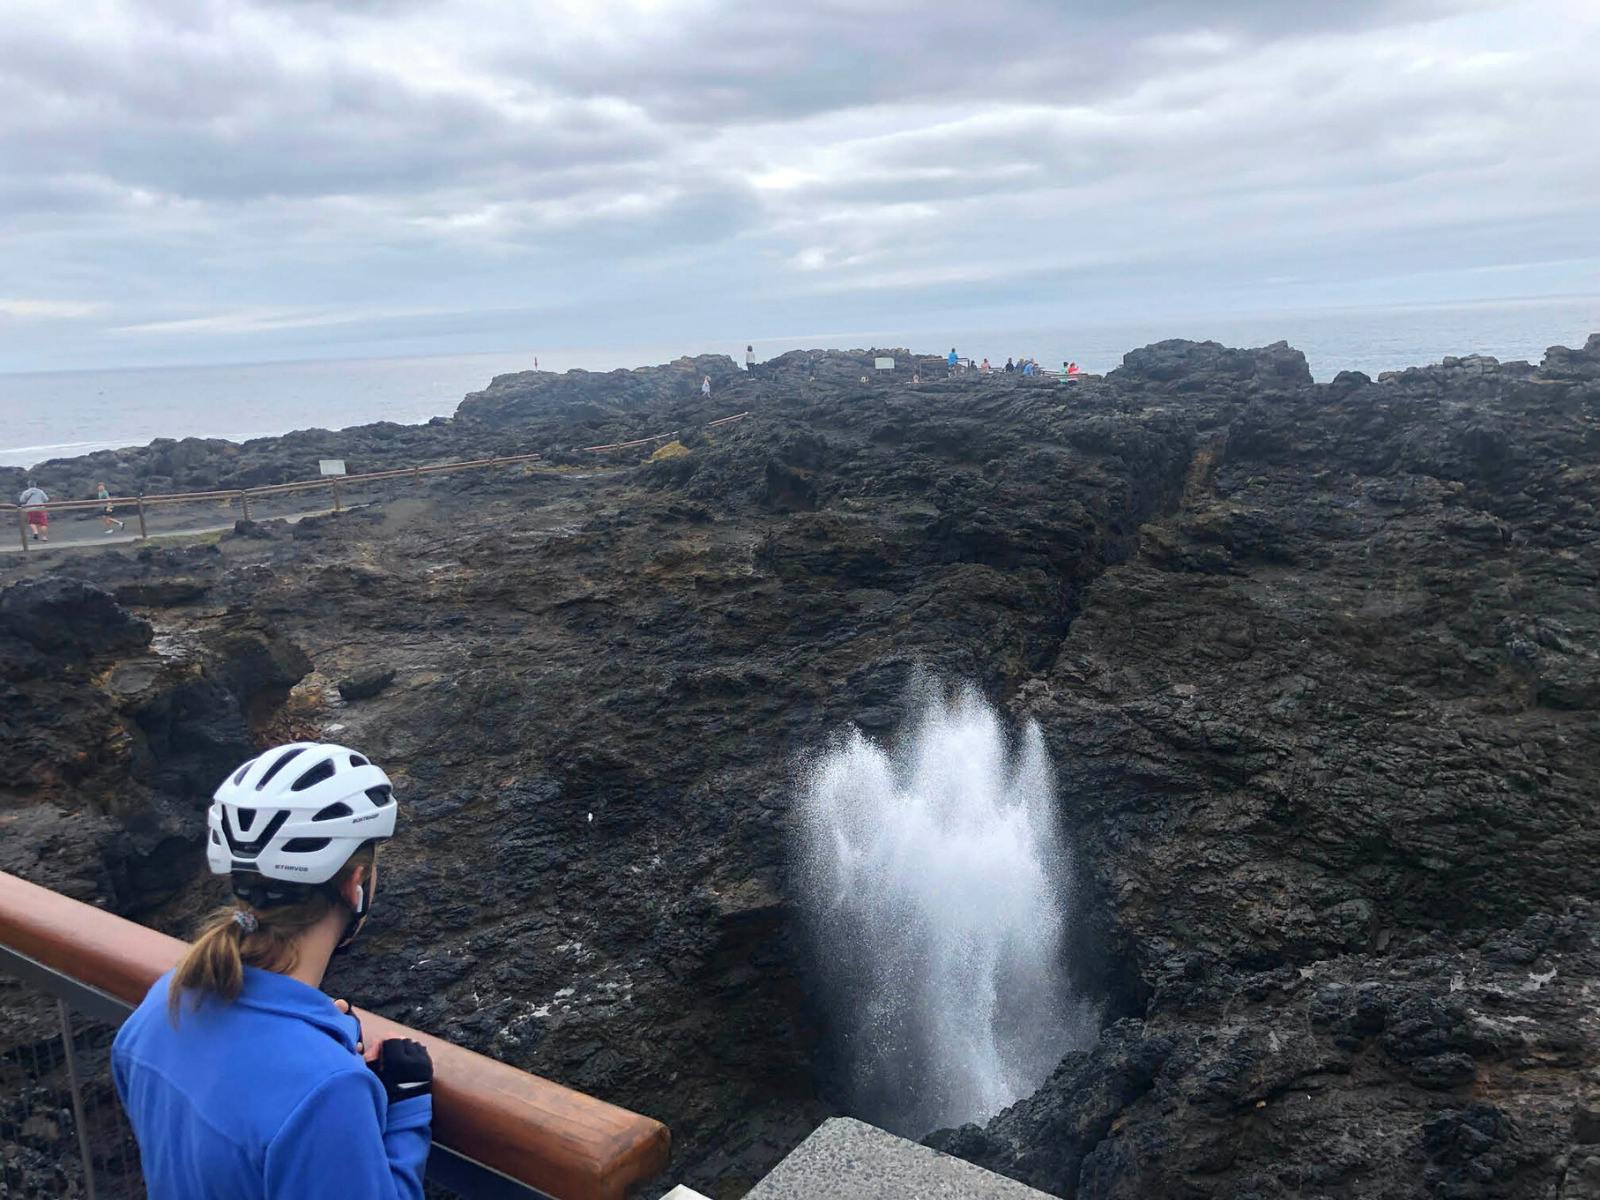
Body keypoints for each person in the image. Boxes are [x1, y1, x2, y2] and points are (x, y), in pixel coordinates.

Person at [112, 743, 432, 1200]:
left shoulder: (165, 1003)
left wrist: (325, 1040)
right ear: (354, 884)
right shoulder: (328, 1090)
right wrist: (405, 1107)